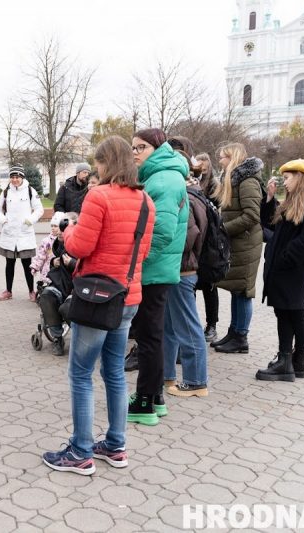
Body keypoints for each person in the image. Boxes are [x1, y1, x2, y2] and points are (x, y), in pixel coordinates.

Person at [42, 136, 155, 475]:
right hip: (128, 296)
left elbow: (80, 247)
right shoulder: (146, 201)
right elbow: (144, 251)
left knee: (80, 373)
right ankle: (116, 445)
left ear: (107, 163)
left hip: (96, 299)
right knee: (114, 373)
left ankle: (80, 451)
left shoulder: (98, 195)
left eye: (99, 163)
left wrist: (68, 232)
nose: (97, 169)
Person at [127, 128, 188, 426]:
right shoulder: (160, 175)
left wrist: (136, 260)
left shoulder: (163, 179)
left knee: (149, 338)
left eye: (140, 147)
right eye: (133, 148)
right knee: (153, 336)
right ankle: (156, 397)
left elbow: (162, 233)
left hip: (154, 270)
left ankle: (144, 403)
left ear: (157, 148)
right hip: (159, 269)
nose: (135, 152)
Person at [256, 159, 304, 382]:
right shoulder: (291, 202)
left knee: (295, 312)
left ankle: (297, 360)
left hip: (292, 269)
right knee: (283, 311)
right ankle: (285, 359)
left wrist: (286, 258)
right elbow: (269, 226)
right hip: (280, 269)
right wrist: (269, 199)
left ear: (300, 177)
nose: (284, 182)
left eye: (287, 177)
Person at [163, 148, 209, 398]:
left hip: (182, 269)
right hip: (180, 269)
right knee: (169, 326)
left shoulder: (186, 197)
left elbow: (188, 236)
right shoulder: (193, 193)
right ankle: (167, 375)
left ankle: (195, 381)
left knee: (187, 327)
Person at [210, 143, 263, 354]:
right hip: (238, 243)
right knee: (235, 289)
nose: (220, 161)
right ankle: (234, 332)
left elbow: (252, 215)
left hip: (246, 243)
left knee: (243, 290)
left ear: (233, 158)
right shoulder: (234, 179)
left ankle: (241, 337)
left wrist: (223, 229)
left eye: (223, 157)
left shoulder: (247, 180)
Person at [31, 212, 78, 356]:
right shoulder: (60, 242)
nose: (61, 228)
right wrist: (53, 262)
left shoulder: (82, 242)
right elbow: (55, 255)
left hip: (76, 287)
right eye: (60, 225)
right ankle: (57, 338)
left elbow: (92, 265)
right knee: (46, 297)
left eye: (65, 225)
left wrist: (73, 264)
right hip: (59, 283)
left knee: (66, 308)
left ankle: (81, 339)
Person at [0, 166, 44, 301]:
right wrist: (3, 221)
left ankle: (31, 291)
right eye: (13, 177)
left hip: (24, 234)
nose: (15, 180)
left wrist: (30, 220)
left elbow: (39, 209)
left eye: (17, 177)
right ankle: (8, 291)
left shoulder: (30, 191)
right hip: (9, 234)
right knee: (9, 264)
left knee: (27, 265)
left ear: (22, 178)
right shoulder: (5, 192)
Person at [194, 152, 221, 342]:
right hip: (197, 239)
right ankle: (193, 324)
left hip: (209, 239)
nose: (202, 165)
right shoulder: (194, 181)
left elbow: (216, 208)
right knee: (192, 286)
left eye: (205, 162)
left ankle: (212, 325)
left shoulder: (214, 185)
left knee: (210, 286)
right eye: (199, 162)